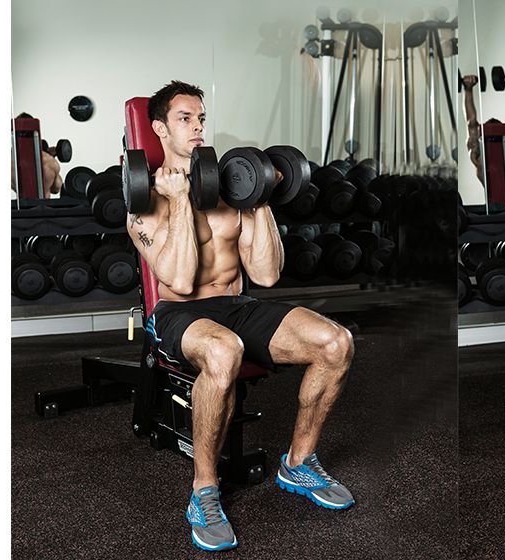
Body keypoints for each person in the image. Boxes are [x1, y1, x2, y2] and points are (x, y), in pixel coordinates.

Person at [127, 81, 355, 552]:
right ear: (159, 129)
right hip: (179, 315)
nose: (197, 128)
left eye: (201, 118)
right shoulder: (143, 202)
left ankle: (298, 462)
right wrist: (177, 201)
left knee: (336, 343)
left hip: (237, 306)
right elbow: (182, 280)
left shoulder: (233, 193)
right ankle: (203, 493)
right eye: (184, 119)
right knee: (223, 350)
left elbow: (267, 275)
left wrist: (259, 198)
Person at [462, 72, 505, 202]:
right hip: (492, 215)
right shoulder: (480, 157)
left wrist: (468, 89)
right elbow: (471, 124)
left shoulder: (480, 158)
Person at [11, 113, 63, 198]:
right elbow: (56, 188)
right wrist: (50, 156)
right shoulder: (50, 162)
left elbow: (15, 186)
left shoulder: (10, 164)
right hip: (44, 209)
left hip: (22, 210)